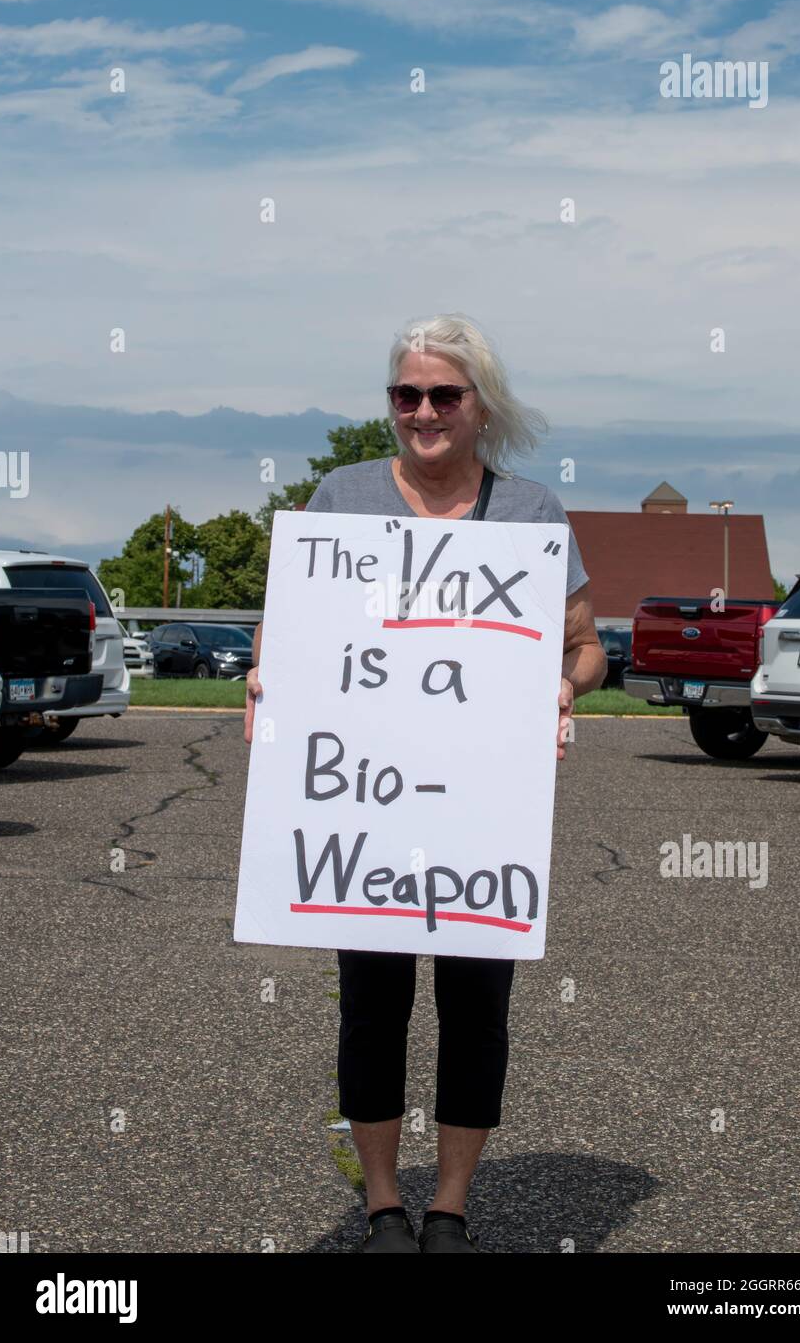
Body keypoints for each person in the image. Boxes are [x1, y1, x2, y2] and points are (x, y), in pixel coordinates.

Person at [245, 314, 606, 1253]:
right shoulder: (342, 497)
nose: (424, 412)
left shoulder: (528, 515)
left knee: (476, 1009)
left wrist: (566, 686)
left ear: (482, 406)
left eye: (445, 395)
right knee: (372, 1004)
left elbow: (588, 646)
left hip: (482, 815)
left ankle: (448, 1203)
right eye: (406, 395)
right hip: (362, 811)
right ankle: (380, 1200)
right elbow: (286, 632)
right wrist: (262, 673)